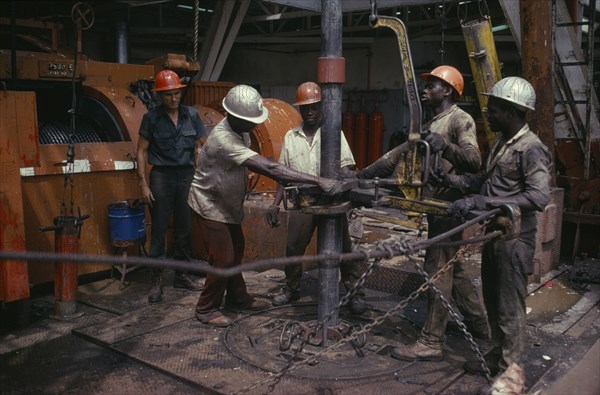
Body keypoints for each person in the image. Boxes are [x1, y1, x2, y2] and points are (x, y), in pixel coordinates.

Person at [357, 65, 489, 361]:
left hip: (448, 209)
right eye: (426, 85)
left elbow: (473, 160)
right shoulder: (431, 124)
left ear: (449, 90)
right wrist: (359, 175)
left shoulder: (459, 119)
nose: (426, 89)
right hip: (435, 208)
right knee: (453, 268)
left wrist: (447, 147)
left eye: (432, 85)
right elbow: (395, 156)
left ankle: (431, 340)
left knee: (437, 269)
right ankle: (480, 326)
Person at [188, 84, 345, 327]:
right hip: (210, 204)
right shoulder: (223, 139)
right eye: (250, 120)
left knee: (235, 250)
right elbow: (271, 168)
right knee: (222, 258)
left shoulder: (241, 130)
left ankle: (237, 298)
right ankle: (206, 308)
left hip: (226, 203)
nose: (255, 125)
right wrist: (318, 181)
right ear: (233, 116)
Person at [442, 77, 551, 378]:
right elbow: (487, 182)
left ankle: (509, 373)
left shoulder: (531, 149)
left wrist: (485, 201)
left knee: (509, 308)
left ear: (513, 112)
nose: (487, 115)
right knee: (492, 300)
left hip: (515, 239)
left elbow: (538, 196)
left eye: (493, 110)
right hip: (497, 233)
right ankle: (496, 356)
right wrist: (456, 183)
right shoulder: (503, 143)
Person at [266, 82, 366, 315]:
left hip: (330, 202)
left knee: (345, 250)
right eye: (305, 109)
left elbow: (347, 167)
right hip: (304, 202)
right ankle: (292, 289)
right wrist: (274, 204)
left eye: (314, 108)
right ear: (300, 110)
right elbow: (282, 173)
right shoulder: (291, 136)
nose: (309, 113)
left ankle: (354, 293)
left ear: (321, 107)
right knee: (293, 249)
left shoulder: (333, 134)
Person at [137, 70, 207, 304]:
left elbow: (199, 146)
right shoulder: (151, 118)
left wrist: (200, 168)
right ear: (159, 95)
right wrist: (143, 183)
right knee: (158, 228)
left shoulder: (192, 116)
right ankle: (156, 280)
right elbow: (141, 150)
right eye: (168, 95)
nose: (173, 98)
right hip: (162, 177)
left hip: (186, 175)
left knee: (185, 227)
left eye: (176, 93)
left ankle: (182, 274)